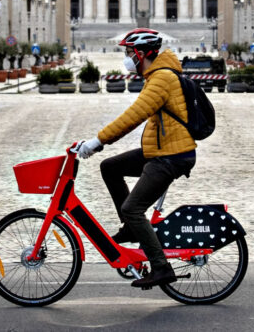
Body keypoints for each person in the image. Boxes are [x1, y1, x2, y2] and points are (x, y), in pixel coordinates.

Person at [75, 28, 196, 289]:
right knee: (110, 167)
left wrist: (98, 141)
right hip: (161, 150)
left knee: (133, 208)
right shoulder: (156, 75)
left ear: (141, 54)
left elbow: (134, 116)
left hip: (172, 156)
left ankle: (161, 267)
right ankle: (131, 228)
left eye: (129, 53)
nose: (127, 58)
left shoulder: (162, 78)